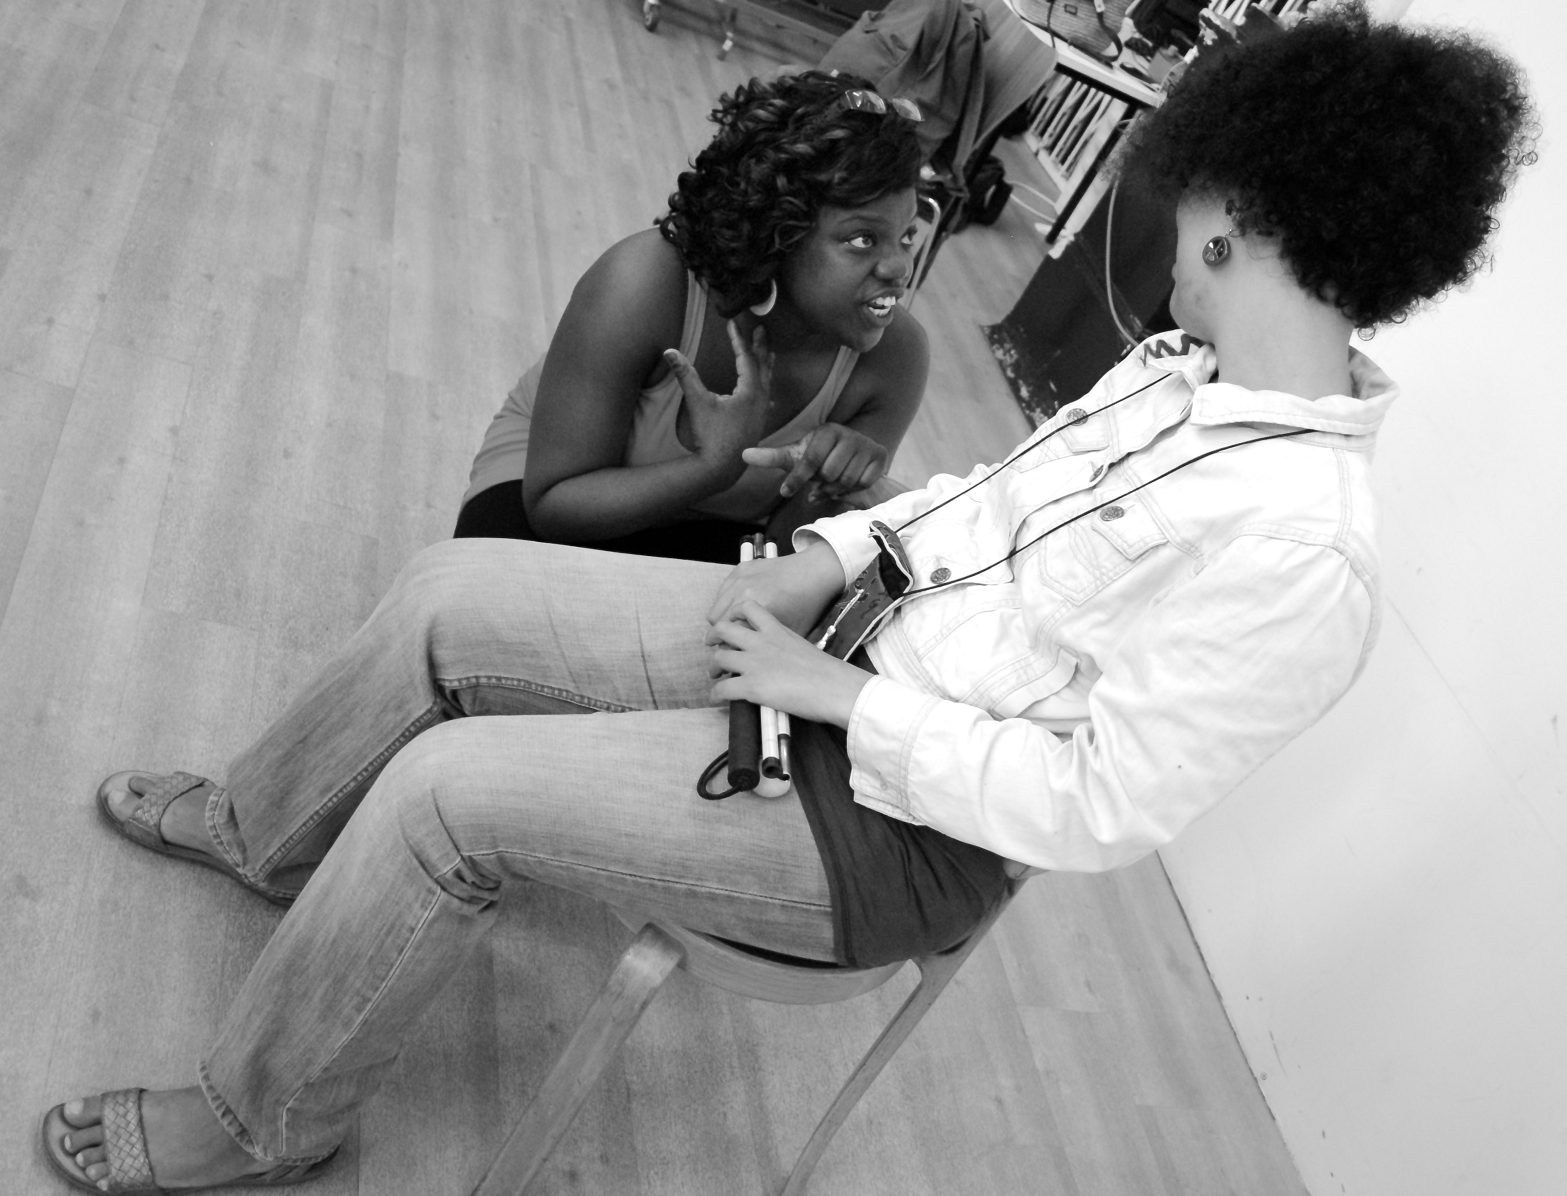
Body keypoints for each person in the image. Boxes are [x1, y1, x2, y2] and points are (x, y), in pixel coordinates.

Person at [43, 7, 1536, 1191]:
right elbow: (977, 511)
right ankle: (266, 828)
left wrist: (840, 698)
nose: (1165, 236)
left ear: (1237, 224)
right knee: (448, 592)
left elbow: (1093, 808)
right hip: (827, 646)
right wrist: (829, 559)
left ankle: (265, 1119)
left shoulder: (1299, 558)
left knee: (448, 796)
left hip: (885, 829)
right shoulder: (1173, 379)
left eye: (1186, 202)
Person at [453, 70, 930, 563]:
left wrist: (828, 490)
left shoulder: (896, 358)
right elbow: (552, 507)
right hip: (555, 492)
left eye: (907, 236)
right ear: (778, 234)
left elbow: (784, 552)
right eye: (862, 239)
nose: (899, 267)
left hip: (721, 529)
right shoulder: (642, 284)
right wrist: (713, 466)